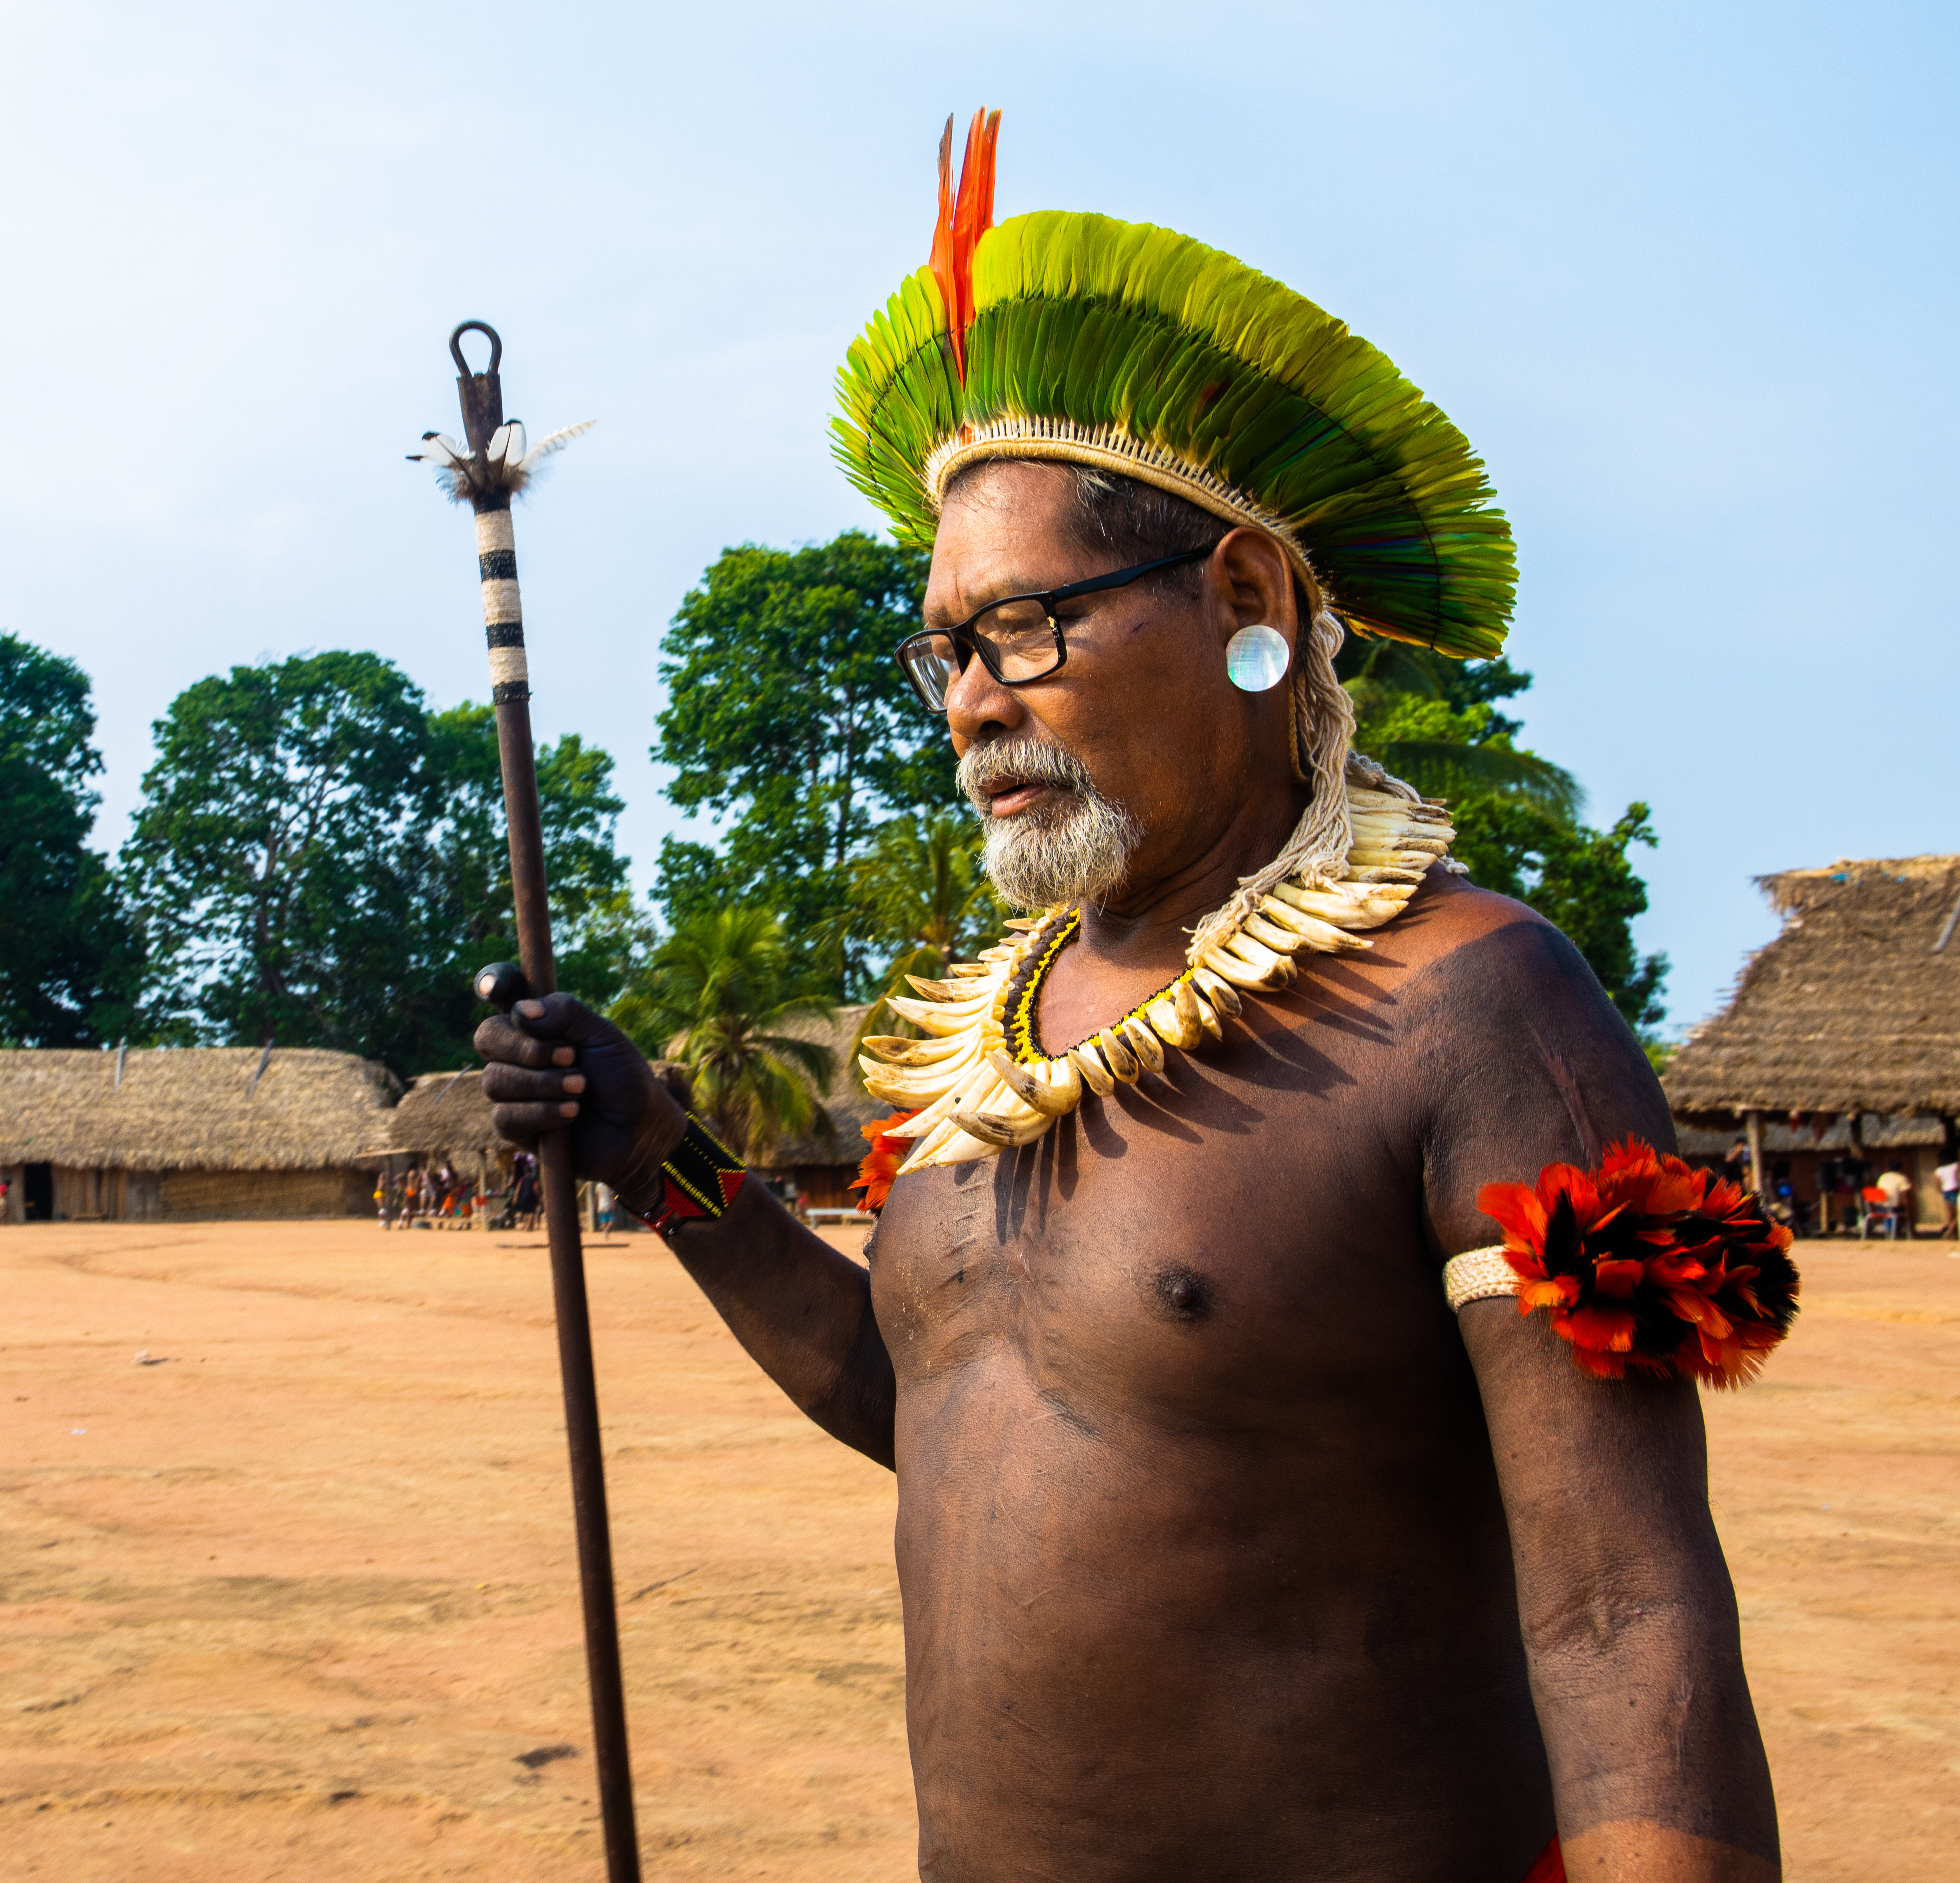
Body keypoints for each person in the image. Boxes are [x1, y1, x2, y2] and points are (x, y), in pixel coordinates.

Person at [482, 112, 1790, 1883]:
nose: (968, 701)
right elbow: (918, 1394)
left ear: (1241, 599)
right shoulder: (984, 1041)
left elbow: (1619, 1610)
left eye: (1023, 629)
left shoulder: (1467, 1004)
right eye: (945, 648)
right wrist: (657, 1154)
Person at [1875, 1164, 1914, 1239]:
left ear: (1888, 1169)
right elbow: (1905, 1195)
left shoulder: (1883, 1177)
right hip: (1893, 1208)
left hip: (1880, 1208)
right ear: (1900, 1170)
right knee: (1909, 1210)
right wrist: (1907, 1206)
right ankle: (1911, 1233)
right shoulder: (1901, 1178)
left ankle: (1892, 1229)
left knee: (1893, 1210)